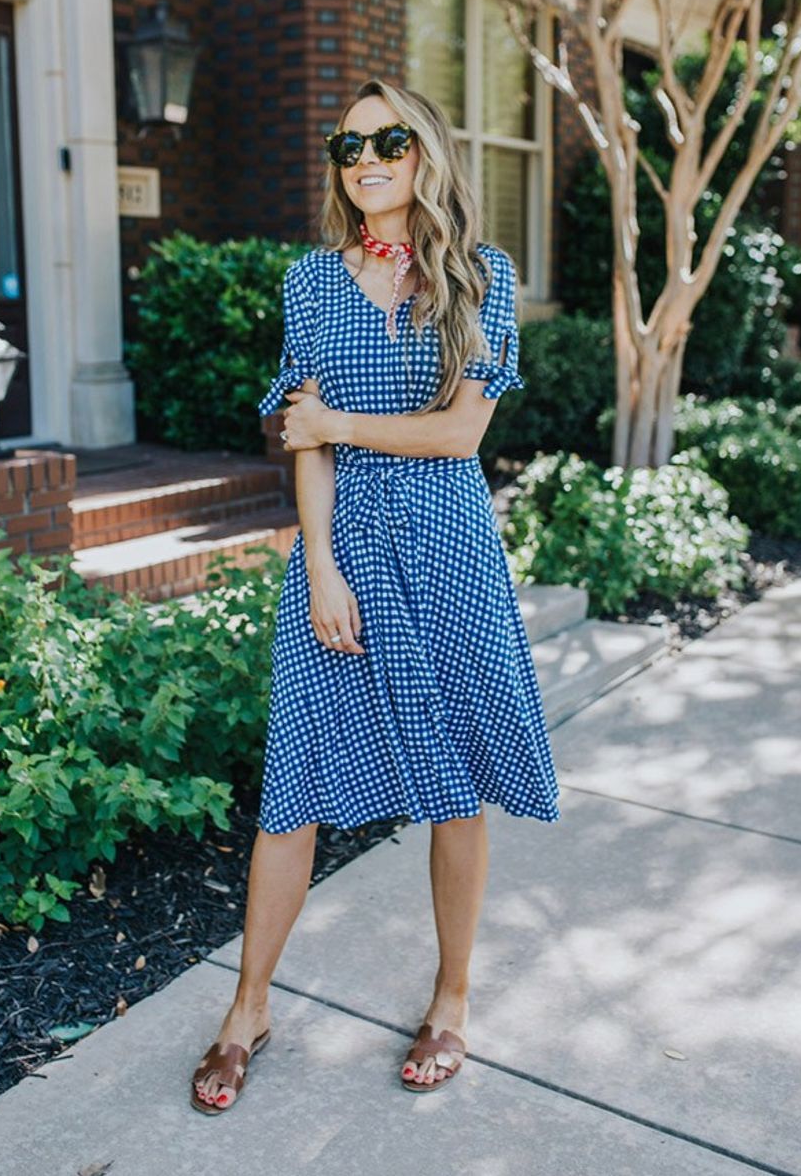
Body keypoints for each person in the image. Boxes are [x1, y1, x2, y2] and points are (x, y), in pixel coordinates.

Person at [190, 78, 561, 1114]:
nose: (364, 159)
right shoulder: (308, 282)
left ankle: (450, 997)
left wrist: (339, 425)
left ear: (424, 150)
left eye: (386, 139)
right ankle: (246, 1007)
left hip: (447, 551)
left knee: (452, 780)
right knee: (294, 783)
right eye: (345, 145)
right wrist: (317, 565)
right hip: (341, 550)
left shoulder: (480, 274)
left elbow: (454, 435)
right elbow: (297, 443)